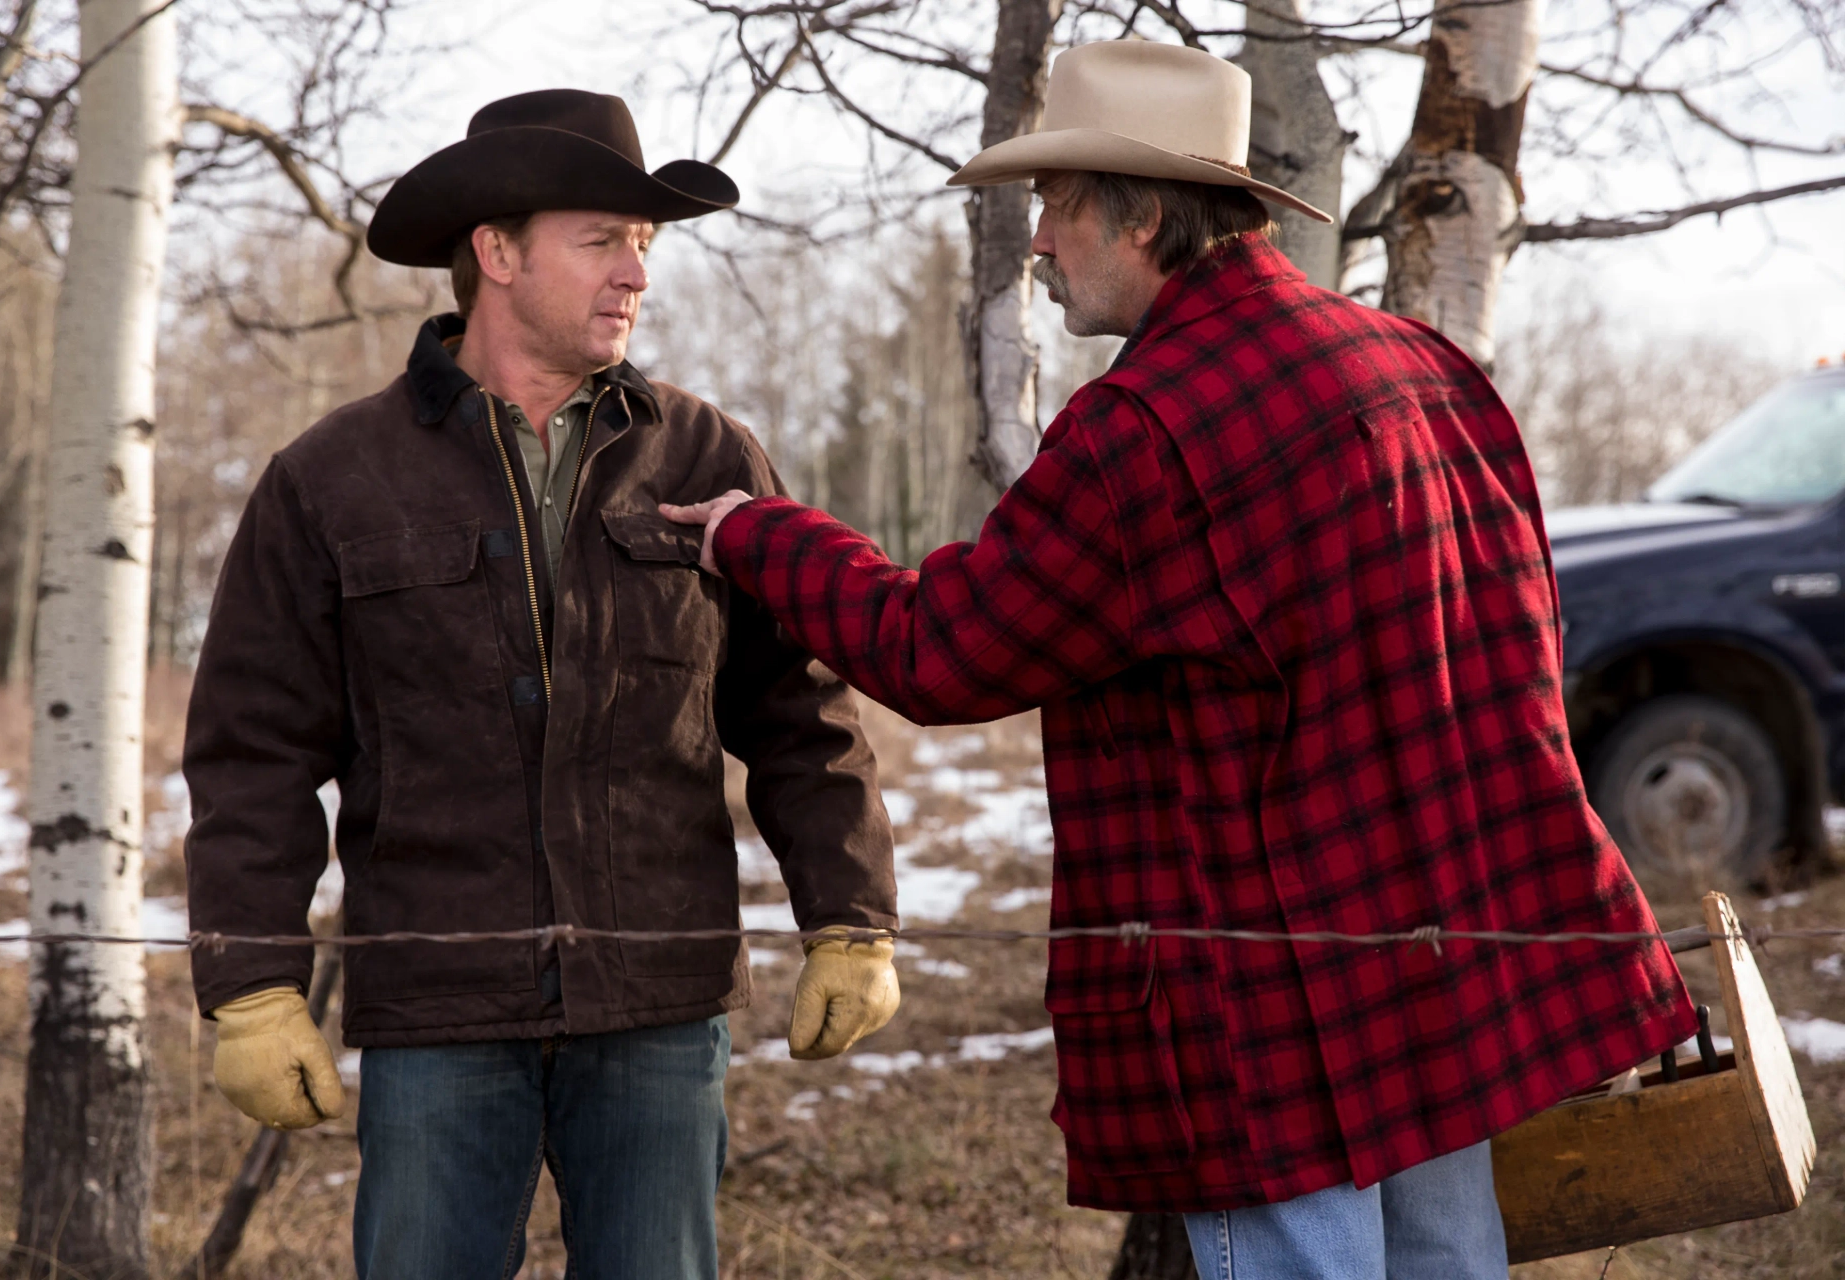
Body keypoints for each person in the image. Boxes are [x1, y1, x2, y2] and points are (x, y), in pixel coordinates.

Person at [664, 41, 1697, 1280]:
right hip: (1433, 965)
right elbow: (1519, 653)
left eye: (1057, 206)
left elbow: (940, 652)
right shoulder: (1422, 367)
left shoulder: (1143, 429)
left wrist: (754, 531)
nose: (1037, 240)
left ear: (1145, 217)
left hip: (1267, 1012)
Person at [182, 89, 901, 1280]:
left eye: (647, 245)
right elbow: (252, 751)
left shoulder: (707, 456)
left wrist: (851, 913)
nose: (637, 274)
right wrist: (252, 984)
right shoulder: (331, 478)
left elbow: (799, 712)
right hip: (439, 1005)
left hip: (659, 997)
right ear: (498, 252)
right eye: (603, 239)